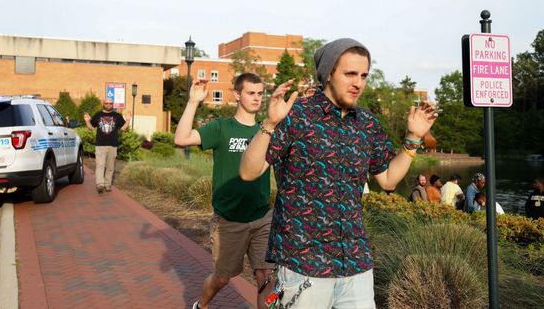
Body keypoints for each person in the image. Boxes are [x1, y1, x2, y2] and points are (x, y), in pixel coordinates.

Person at [240, 38, 438, 308]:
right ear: (329, 73)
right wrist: (270, 123)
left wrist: (413, 139)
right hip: (304, 264)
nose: (358, 82)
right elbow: (249, 172)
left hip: (356, 264)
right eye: (350, 74)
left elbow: (388, 179)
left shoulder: (368, 124)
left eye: (364, 75)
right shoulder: (295, 115)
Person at [174, 74, 274, 309]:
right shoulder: (221, 127)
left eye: (260, 93)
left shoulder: (267, 131)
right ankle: (202, 305)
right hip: (229, 220)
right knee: (222, 278)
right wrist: (193, 101)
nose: (257, 98)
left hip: (262, 218)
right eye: (251, 93)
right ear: (237, 95)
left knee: (266, 277)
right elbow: (181, 138)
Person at [84, 98, 130, 193]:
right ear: (103, 103)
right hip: (100, 145)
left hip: (113, 145)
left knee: (110, 167)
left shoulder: (117, 115)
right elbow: (91, 128)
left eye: (110, 103)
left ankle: (107, 185)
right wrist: (87, 121)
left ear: (112, 104)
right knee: (100, 165)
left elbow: (123, 129)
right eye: (106, 103)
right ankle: (100, 185)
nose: (108, 105)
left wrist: (128, 121)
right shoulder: (98, 115)